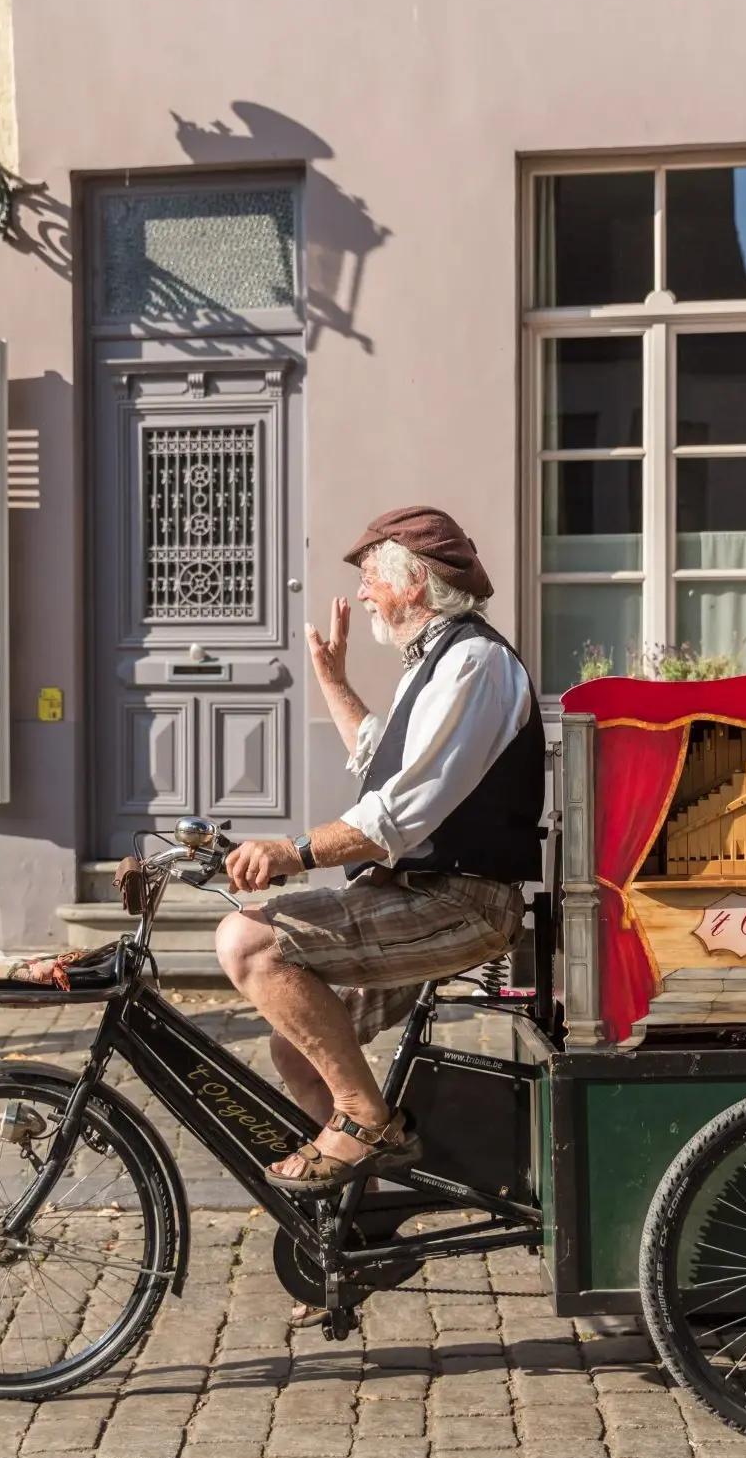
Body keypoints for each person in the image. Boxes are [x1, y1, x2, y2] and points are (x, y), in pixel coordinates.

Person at [214, 506, 545, 1193]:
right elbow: (384, 762)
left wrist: (292, 851)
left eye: (371, 576)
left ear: (415, 583)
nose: (363, 592)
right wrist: (333, 681)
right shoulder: (435, 663)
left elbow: (399, 810)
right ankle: (352, 1223)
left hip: (460, 901)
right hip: (415, 892)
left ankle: (368, 1119)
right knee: (298, 1048)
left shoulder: (475, 664)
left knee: (248, 944)